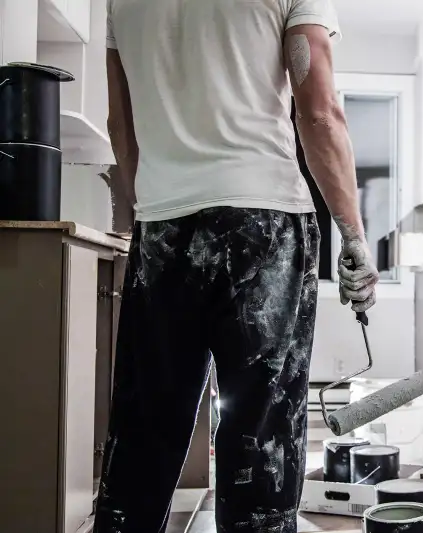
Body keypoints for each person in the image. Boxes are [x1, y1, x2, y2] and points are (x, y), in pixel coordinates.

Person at [96, 0, 378, 531]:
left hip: (162, 226)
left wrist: (153, 210)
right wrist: (354, 235)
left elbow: (121, 125)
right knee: (260, 434)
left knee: (146, 425)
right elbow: (318, 113)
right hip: (263, 223)